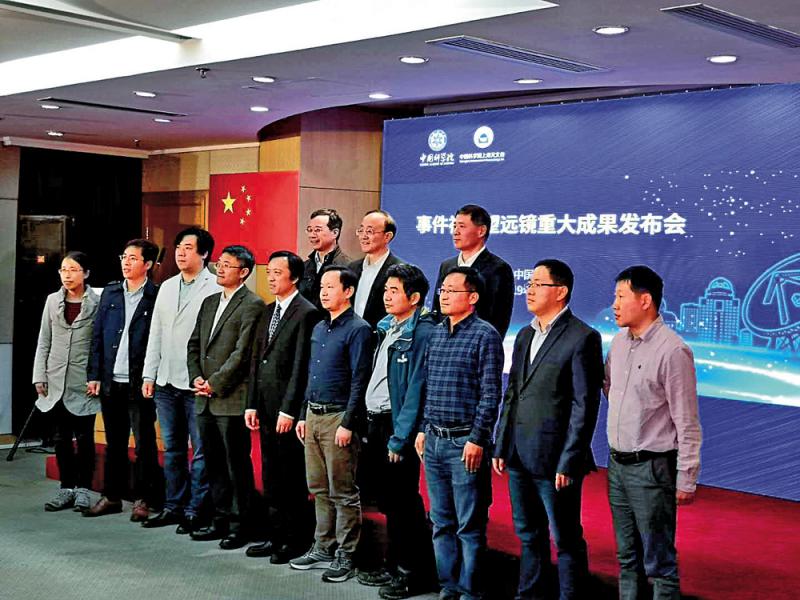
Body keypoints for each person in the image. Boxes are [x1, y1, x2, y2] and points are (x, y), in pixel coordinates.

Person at [493, 259, 604, 600]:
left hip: (556, 460)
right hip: (519, 453)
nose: (529, 290)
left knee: (566, 538)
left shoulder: (583, 337)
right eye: (530, 283)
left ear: (560, 291)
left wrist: (570, 460)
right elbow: (513, 393)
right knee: (528, 533)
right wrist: (501, 443)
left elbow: (585, 405)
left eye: (538, 284)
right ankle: (529, 594)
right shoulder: (525, 334)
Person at [605, 265, 702, 600]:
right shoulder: (618, 343)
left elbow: (687, 420)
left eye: (621, 296)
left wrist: (686, 477)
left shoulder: (673, 350)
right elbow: (610, 388)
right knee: (626, 558)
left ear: (645, 300)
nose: (614, 304)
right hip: (617, 465)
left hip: (652, 468)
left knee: (659, 563)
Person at [415, 266, 504, 600]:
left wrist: (478, 438)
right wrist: (423, 428)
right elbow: (429, 386)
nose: (444, 295)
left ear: (473, 297)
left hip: (465, 442)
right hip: (434, 439)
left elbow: (490, 394)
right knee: (441, 521)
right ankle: (448, 587)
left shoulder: (485, 335)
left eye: (452, 290)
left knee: (469, 525)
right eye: (443, 290)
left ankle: (470, 591)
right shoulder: (437, 333)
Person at [357, 264, 437, 600]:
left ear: (414, 298)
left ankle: (414, 573)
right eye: (386, 290)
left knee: (404, 502)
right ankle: (393, 565)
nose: (386, 296)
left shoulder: (423, 333)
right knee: (389, 500)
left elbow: (416, 391)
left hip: (397, 425)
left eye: (394, 291)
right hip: (376, 422)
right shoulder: (386, 326)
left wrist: (401, 436)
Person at [290, 265, 373, 583]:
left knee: (343, 490)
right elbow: (310, 375)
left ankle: (346, 553)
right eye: (322, 287)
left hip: (339, 417)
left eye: (331, 287)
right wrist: (302, 414)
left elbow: (360, 379)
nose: (323, 292)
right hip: (313, 414)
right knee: (318, 487)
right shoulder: (319, 327)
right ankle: (323, 545)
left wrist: (349, 423)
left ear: (348, 291)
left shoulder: (359, 329)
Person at [141, 227, 221, 533]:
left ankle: (195, 509)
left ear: (204, 253)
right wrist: (149, 373)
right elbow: (156, 333)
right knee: (173, 448)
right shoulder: (167, 286)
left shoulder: (214, 287)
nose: (180, 252)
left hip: (196, 383)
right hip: (165, 381)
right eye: (178, 247)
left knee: (200, 451)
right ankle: (173, 505)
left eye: (188, 247)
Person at [244, 251, 321, 564]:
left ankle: (295, 538)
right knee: (271, 473)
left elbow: (301, 367)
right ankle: (274, 535)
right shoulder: (267, 310)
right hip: (264, 406)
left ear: (295, 277)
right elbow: (256, 360)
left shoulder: (307, 313)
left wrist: (290, 409)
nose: (271, 277)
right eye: (270, 272)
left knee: (291, 476)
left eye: (278, 272)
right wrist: (251, 403)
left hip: (286, 410)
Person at [186, 245, 264, 549]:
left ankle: (240, 524)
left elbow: (242, 354)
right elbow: (194, 345)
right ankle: (219, 519)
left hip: (230, 398)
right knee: (213, 464)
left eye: (227, 265)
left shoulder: (253, 304)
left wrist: (214, 383)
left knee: (236, 466)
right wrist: (196, 377)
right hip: (203, 397)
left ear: (243, 272)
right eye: (220, 263)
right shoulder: (209, 302)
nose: (219, 268)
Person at [85, 239, 161, 520]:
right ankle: (112, 496)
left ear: (148, 264)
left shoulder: (156, 296)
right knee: (114, 443)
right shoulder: (111, 292)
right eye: (124, 257)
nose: (126, 263)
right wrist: (94, 374)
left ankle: (144, 499)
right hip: (110, 380)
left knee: (144, 443)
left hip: (139, 382)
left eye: (133, 258)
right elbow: (97, 335)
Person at [33, 251, 100, 513]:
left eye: (73, 269)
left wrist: (96, 376)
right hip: (55, 379)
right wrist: (39, 375)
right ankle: (66, 488)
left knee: (84, 438)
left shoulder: (97, 302)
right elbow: (44, 340)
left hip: (83, 381)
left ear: (86, 273)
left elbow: (100, 344)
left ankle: (83, 489)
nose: (67, 275)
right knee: (61, 438)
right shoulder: (52, 300)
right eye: (63, 270)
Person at [432, 205, 514, 338]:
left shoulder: (498, 269)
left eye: (462, 226)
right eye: (454, 226)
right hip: (444, 342)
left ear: (481, 231)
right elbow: (437, 310)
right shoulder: (446, 266)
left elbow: (499, 320)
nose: (455, 232)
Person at [349, 210, 404, 329]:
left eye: (370, 231)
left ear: (387, 236)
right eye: (361, 230)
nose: (363, 236)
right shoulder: (351, 268)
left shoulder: (400, 271)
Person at [298, 208, 352, 310]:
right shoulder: (304, 266)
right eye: (309, 230)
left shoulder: (348, 266)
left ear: (335, 233)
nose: (312, 235)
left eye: (317, 230)